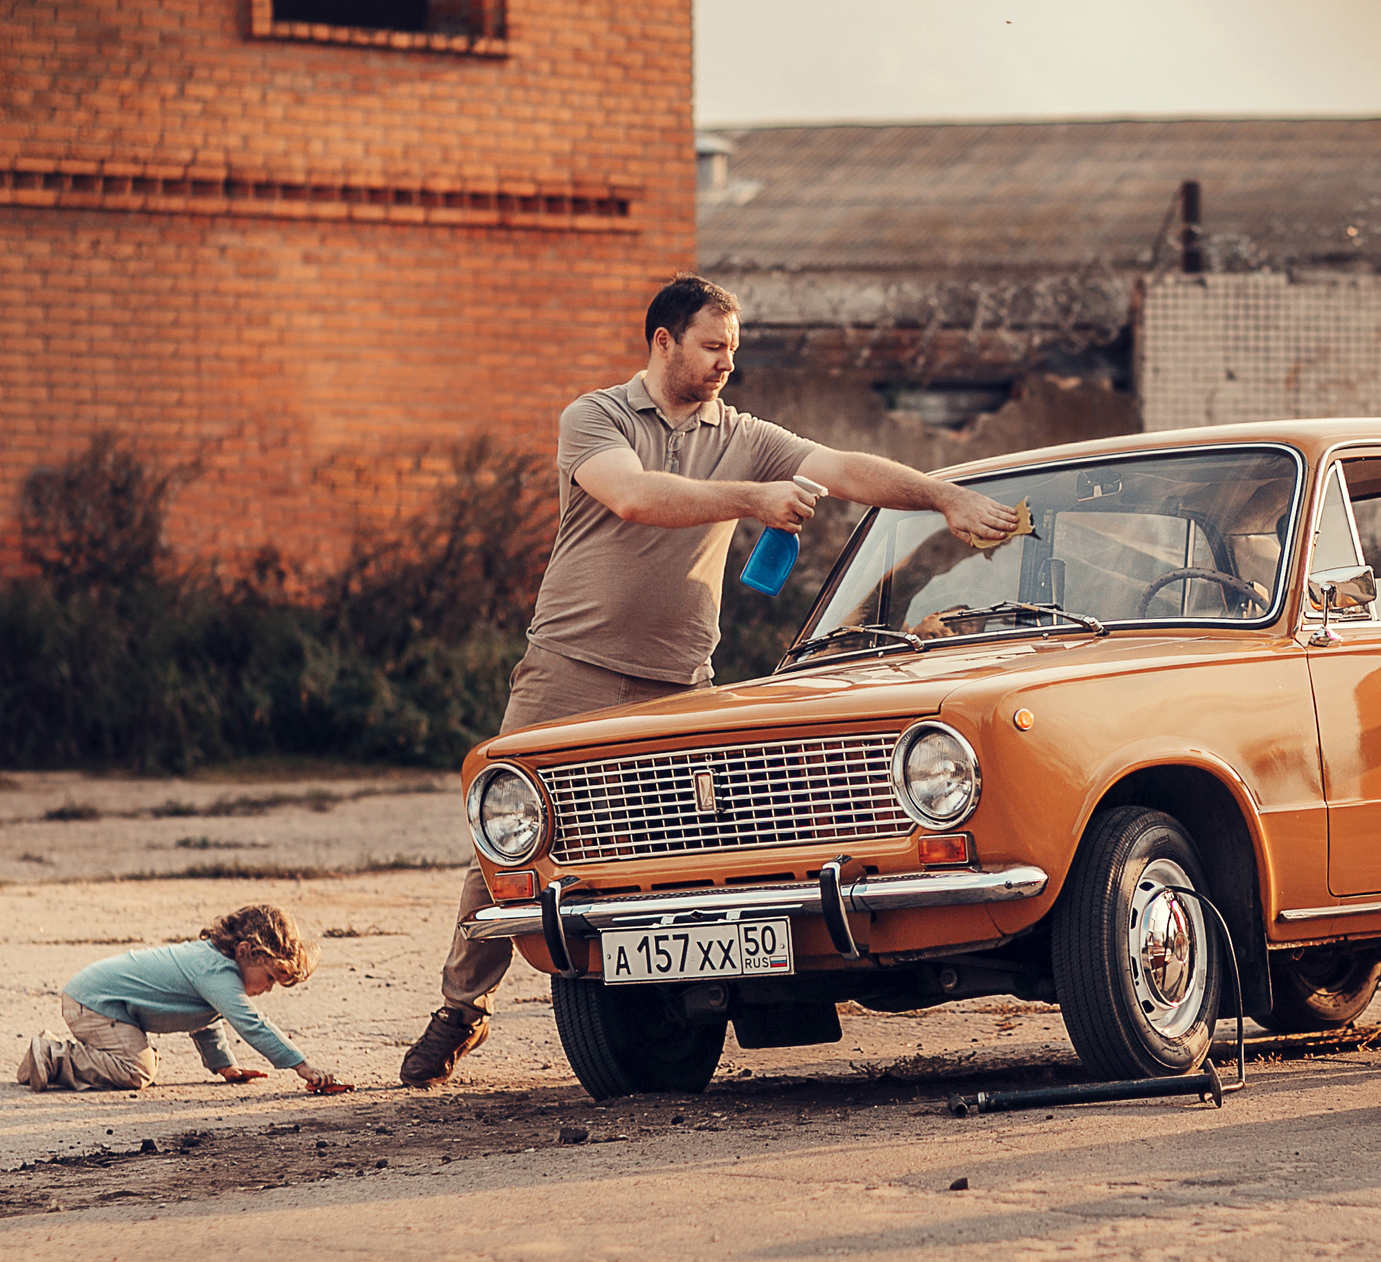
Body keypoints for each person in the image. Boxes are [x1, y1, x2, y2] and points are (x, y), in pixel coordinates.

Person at [399, 273, 1019, 1085]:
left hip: (680, 681)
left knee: (690, 845)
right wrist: (751, 498)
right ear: (663, 341)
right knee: (508, 845)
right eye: (713, 346)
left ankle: (682, 1004)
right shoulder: (597, 417)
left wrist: (940, 495)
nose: (728, 361)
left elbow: (843, 467)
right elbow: (632, 496)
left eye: (736, 347)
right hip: (570, 668)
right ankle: (461, 1009)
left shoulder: (746, 432)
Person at [17, 903, 347, 1093]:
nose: (269, 988)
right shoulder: (216, 970)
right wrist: (300, 1065)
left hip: (97, 1001)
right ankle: (53, 1057)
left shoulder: (216, 970)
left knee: (137, 1066)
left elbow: (204, 1023)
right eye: (271, 978)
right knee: (136, 1071)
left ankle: (51, 1056)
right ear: (246, 952)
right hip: (93, 1003)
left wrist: (224, 1067)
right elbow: (251, 1024)